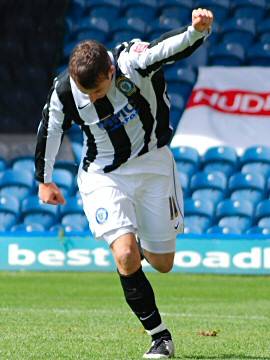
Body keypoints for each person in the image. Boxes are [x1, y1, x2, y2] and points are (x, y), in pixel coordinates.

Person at [35, 8, 213, 359]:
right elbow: (51, 129)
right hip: (103, 172)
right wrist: (44, 180)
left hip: (153, 165)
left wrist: (196, 31)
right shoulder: (66, 91)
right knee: (126, 254)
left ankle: (142, 237)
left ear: (111, 71)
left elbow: (168, 48)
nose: (95, 99)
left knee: (163, 263)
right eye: (88, 94)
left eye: (99, 91)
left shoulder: (133, 61)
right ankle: (160, 337)